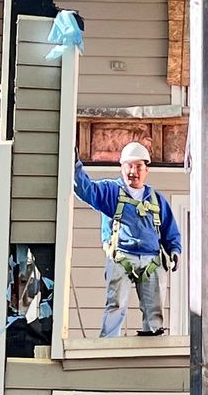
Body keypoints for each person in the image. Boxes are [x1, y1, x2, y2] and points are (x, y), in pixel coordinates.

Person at [74, 142, 182, 337]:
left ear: (146, 170)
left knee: (154, 309)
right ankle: (109, 346)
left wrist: (174, 250)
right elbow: (86, 190)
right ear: (121, 168)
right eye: (129, 166)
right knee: (116, 306)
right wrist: (75, 166)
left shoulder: (156, 199)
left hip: (152, 260)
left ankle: (152, 345)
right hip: (121, 257)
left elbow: (169, 229)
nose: (133, 171)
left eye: (138, 166)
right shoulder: (111, 192)